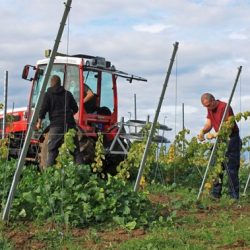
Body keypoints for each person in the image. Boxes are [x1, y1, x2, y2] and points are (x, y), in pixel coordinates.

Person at [198, 93, 241, 200]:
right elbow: (209, 124)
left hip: (231, 138)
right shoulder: (210, 109)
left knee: (231, 168)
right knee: (217, 167)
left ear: (213, 100)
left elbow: (230, 125)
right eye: (205, 107)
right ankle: (216, 194)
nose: (207, 108)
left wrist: (215, 134)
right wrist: (203, 131)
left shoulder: (224, 107)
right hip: (220, 139)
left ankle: (234, 197)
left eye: (208, 105)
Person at [36, 75, 83, 167]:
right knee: (76, 151)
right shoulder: (67, 94)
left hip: (56, 126)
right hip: (70, 125)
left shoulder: (47, 95)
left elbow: (43, 109)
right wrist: (69, 116)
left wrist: (39, 122)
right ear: (60, 83)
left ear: (51, 83)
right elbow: (76, 108)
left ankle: (49, 174)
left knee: (52, 150)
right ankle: (81, 172)